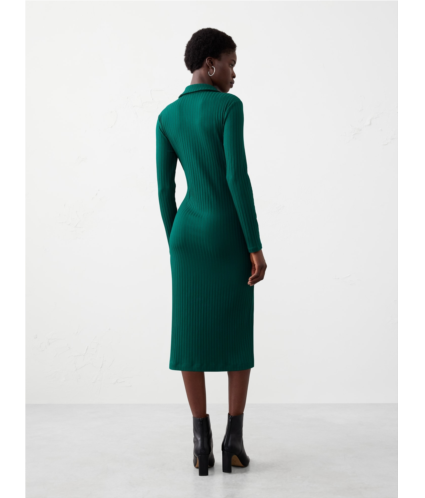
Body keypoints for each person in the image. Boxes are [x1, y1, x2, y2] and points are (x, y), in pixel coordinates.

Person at [156, 28, 267, 476]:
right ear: (210, 64)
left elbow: (165, 189)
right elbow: (236, 178)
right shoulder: (228, 107)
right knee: (236, 332)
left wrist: (174, 240)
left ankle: (200, 445)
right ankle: (232, 441)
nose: (234, 74)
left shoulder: (167, 116)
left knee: (190, 336)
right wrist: (254, 245)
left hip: (186, 236)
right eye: (231, 63)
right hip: (226, 234)